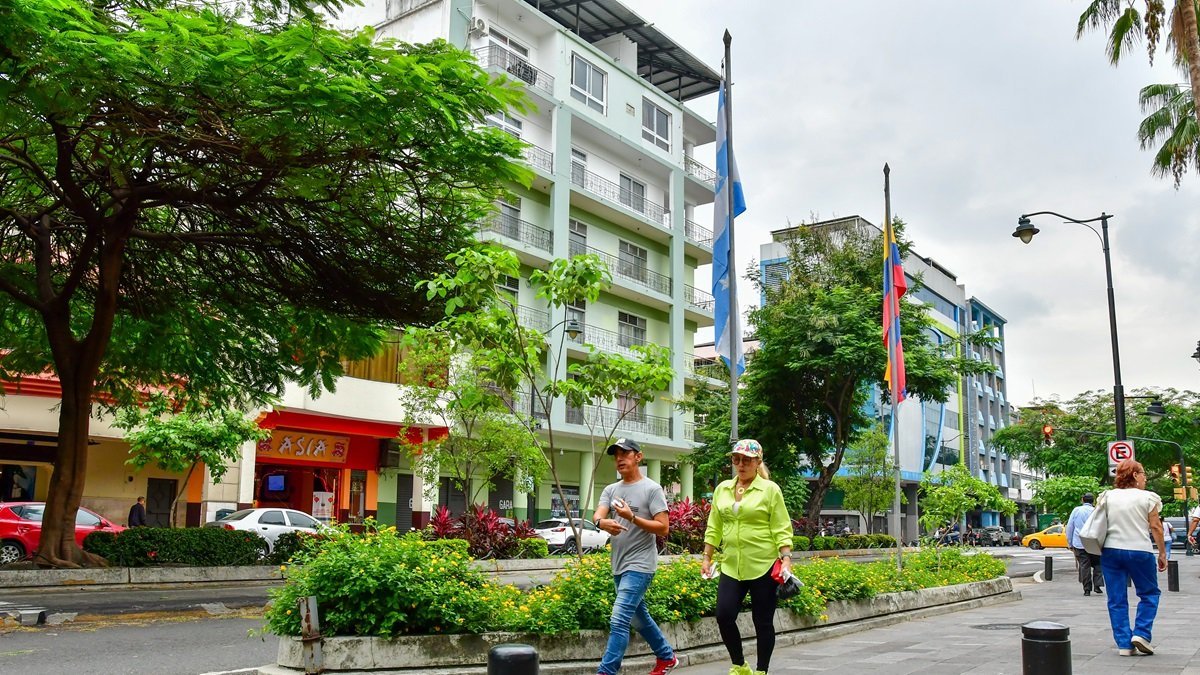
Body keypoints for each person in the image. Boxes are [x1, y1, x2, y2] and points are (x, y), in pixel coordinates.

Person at [701, 439, 793, 675]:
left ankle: (762, 670)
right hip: (732, 564)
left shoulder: (770, 489)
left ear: (757, 462)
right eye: (736, 459)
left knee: (762, 621)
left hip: (763, 564)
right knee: (724, 615)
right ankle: (740, 665)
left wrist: (786, 558)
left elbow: (781, 526)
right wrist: (707, 557)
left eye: (747, 460)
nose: (740, 465)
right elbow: (714, 526)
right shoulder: (722, 489)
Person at [592, 438, 678, 675]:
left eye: (625, 454)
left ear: (638, 457)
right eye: (616, 455)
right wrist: (602, 522)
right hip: (619, 564)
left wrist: (632, 518)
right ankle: (666, 657)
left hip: (641, 565)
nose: (619, 458)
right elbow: (597, 514)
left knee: (619, 619)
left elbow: (663, 528)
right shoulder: (611, 489)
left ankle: (606, 671)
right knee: (638, 619)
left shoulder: (652, 489)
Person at [1100, 459, 1168, 657]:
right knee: (1149, 593)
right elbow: (1156, 526)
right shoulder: (1148, 498)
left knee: (1116, 598)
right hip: (1139, 550)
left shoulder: (1106, 496)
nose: (1145, 478)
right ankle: (1141, 633)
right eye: (1143, 474)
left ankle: (1124, 644)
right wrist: (1162, 553)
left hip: (1111, 550)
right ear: (1135, 476)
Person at [1064, 493, 1103, 596]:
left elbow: (1070, 526)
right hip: (1094, 542)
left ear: (1082, 500)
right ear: (1093, 501)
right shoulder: (1096, 511)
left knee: (1084, 565)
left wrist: (1070, 542)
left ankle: (1087, 589)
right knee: (1098, 564)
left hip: (1079, 542)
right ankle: (1098, 585)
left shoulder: (1076, 510)